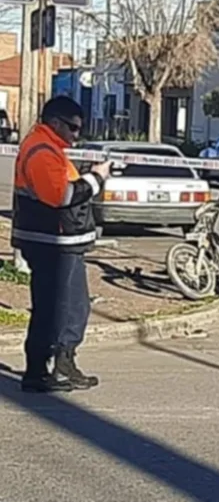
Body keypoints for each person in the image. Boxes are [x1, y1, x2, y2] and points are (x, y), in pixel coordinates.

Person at [12, 96, 111, 393]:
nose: (76, 135)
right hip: (51, 241)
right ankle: (44, 369)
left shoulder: (49, 147)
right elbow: (62, 196)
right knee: (57, 308)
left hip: (58, 241)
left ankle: (58, 363)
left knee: (70, 306)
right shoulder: (42, 150)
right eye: (72, 128)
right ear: (54, 123)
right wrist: (97, 178)